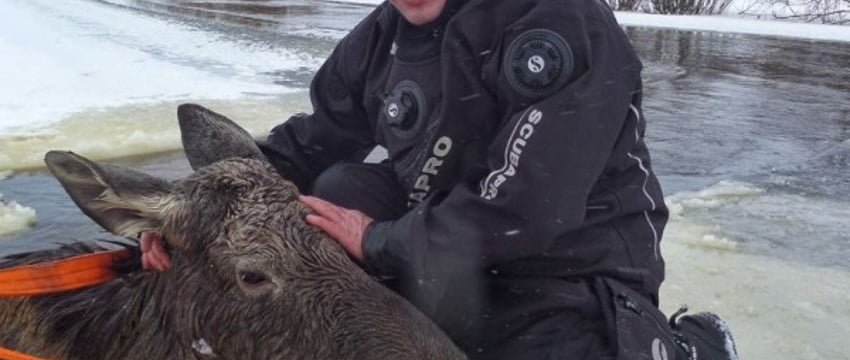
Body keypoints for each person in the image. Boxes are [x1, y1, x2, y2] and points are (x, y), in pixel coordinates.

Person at [142, 0, 739, 359]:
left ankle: (689, 347)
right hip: (445, 252)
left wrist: (378, 241)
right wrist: (190, 220)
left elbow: (531, 207)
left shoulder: (559, 22)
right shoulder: (381, 38)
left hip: (571, 267)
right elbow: (311, 141)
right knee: (333, 188)